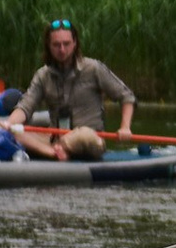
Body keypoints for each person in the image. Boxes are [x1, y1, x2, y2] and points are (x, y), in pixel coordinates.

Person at [9, 20, 138, 159]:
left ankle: (55, 150)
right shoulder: (42, 75)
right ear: (49, 46)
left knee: (83, 135)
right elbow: (25, 106)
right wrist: (9, 124)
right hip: (56, 138)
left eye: (66, 44)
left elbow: (127, 97)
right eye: (56, 45)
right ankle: (54, 152)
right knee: (14, 132)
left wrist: (125, 127)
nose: (62, 50)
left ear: (75, 43)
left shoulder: (93, 68)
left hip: (90, 139)